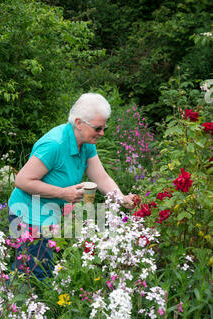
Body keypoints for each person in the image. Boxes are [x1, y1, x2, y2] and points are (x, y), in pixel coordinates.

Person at [8, 92, 137, 280]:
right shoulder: (54, 144)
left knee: (38, 271)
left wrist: (122, 199)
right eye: (98, 128)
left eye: (104, 127)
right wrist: (63, 193)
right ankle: (14, 306)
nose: (102, 133)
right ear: (79, 123)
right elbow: (22, 181)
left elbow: (101, 177)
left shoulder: (85, 143)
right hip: (26, 214)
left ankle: (18, 304)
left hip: (48, 214)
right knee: (33, 274)